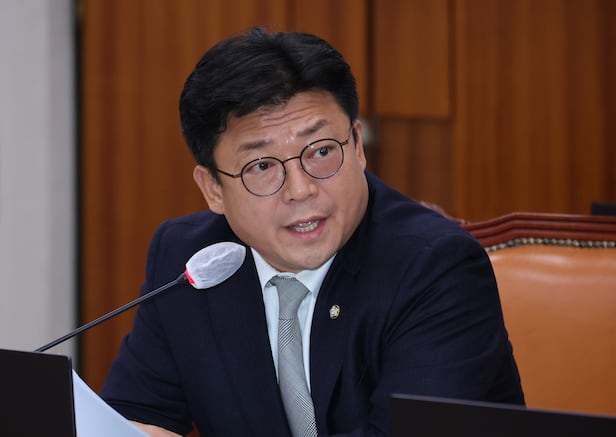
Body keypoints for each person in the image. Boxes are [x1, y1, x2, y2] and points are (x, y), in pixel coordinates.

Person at [101, 27, 524, 437]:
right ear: (213, 188)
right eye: (262, 166)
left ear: (356, 145)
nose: (301, 189)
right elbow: (130, 420)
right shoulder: (192, 263)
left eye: (321, 151)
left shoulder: (436, 268)